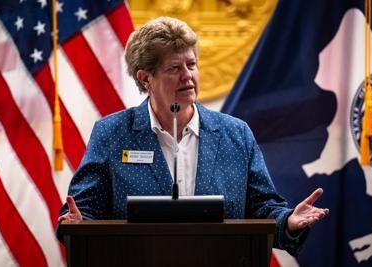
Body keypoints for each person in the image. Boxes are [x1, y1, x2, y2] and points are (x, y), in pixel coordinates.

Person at [57, 17, 329, 255]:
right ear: (145, 79)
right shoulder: (112, 134)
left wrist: (288, 221)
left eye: (191, 64)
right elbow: (82, 211)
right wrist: (76, 224)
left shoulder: (236, 134)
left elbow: (263, 207)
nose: (188, 76)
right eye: (174, 68)